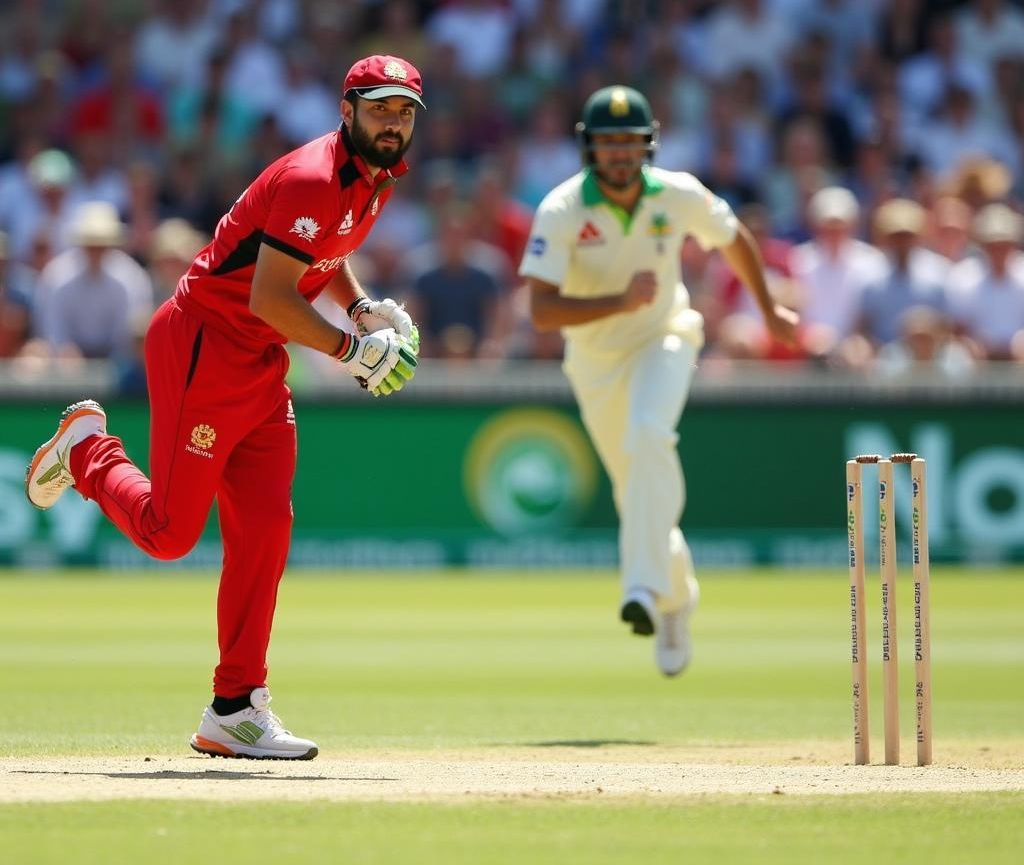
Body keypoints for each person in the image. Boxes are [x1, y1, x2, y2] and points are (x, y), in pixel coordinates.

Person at [25, 55, 425, 760]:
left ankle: (235, 706)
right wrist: (353, 351)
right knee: (170, 534)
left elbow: (323, 257)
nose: (392, 124)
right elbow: (268, 296)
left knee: (266, 531)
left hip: (262, 364)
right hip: (204, 350)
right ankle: (87, 450)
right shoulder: (310, 176)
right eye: (380, 109)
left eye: (404, 112)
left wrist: (360, 309)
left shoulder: (375, 176)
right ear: (347, 109)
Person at [519, 85, 798, 677]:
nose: (619, 154)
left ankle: (642, 588)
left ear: (648, 145)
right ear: (588, 148)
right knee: (636, 490)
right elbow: (542, 311)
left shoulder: (677, 194)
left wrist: (769, 311)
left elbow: (734, 238)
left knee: (650, 436)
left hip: (666, 336)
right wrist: (618, 301)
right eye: (607, 143)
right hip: (595, 362)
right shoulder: (562, 209)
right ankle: (678, 598)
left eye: (629, 142)